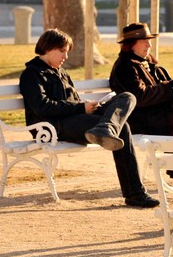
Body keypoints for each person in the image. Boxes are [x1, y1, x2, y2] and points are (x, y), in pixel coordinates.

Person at [19, 28, 159, 208]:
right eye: (62, 51)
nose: (65, 57)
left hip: (75, 118)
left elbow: (73, 101)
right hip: (53, 127)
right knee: (122, 128)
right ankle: (135, 193)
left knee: (127, 97)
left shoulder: (60, 72)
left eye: (67, 52)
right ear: (48, 47)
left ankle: (107, 128)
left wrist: (91, 107)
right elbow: (42, 107)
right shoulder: (32, 73)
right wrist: (80, 107)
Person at [109, 22, 173, 180]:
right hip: (142, 119)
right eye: (144, 41)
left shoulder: (147, 62)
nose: (149, 45)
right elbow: (139, 97)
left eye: (149, 41)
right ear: (131, 44)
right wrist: (168, 88)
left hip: (159, 115)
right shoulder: (125, 67)